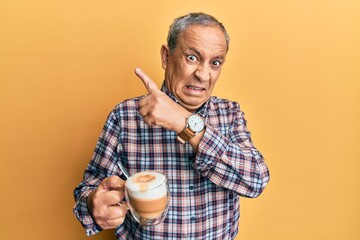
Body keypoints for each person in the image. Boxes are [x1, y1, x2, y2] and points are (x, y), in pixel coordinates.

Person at [73, 12, 270, 239]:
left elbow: (255, 181)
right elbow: (88, 190)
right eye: (192, 58)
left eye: (215, 63)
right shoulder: (124, 116)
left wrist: (183, 123)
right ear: (166, 57)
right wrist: (92, 204)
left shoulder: (230, 114)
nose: (203, 75)